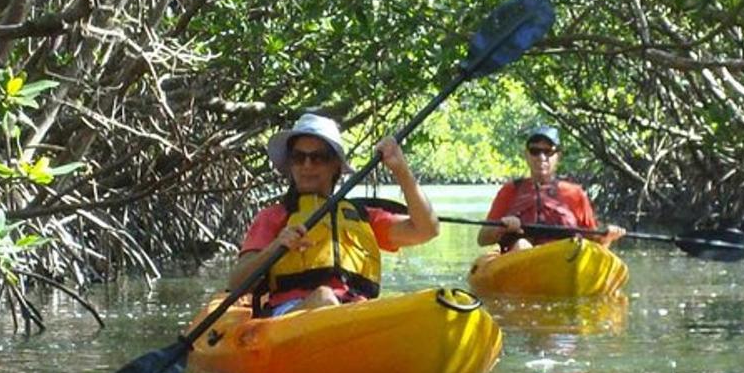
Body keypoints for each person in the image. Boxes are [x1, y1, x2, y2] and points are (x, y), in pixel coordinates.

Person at [228, 113, 439, 316]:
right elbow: (236, 283)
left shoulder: (363, 216)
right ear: (290, 164)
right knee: (324, 298)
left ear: (335, 166)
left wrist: (400, 169)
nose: (307, 165)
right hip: (291, 315)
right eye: (299, 157)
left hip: (355, 313)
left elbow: (426, 229)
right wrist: (276, 247)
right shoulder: (273, 216)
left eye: (318, 158)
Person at [477, 124, 625, 252]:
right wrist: (502, 227)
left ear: (558, 156)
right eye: (535, 151)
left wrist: (607, 237)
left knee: (577, 247)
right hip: (520, 257)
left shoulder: (575, 193)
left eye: (548, 151)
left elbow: (593, 240)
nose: (542, 157)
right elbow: (482, 239)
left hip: (565, 256)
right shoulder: (510, 190)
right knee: (521, 245)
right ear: (526, 155)